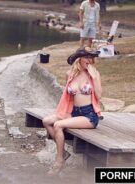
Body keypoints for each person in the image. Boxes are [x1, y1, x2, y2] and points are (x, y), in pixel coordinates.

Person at [42, 46, 102, 175]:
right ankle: (63, 152)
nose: (90, 60)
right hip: (74, 112)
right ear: (79, 59)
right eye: (87, 57)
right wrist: (66, 112)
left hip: (89, 115)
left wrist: (94, 78)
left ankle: (59, 161)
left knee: (58, 125)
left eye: (92, 57)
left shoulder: (94, 74)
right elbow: (68, 97)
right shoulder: (70, 74)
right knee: (46, 121)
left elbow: (99, 96)